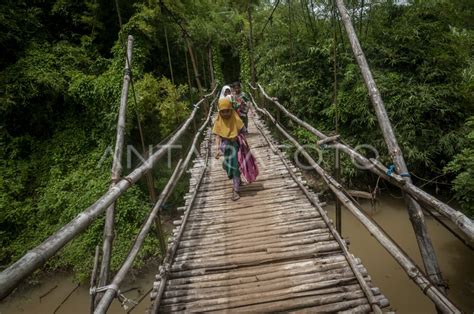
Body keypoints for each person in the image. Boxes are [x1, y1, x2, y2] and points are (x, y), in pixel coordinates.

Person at [213, 97, 245, 201]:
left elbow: (243, 130)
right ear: (220, 111)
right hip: (225, 146)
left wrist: (239, 136)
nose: (226, 113)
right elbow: (217, 136)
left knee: (234, 166)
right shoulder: (218, 120)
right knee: (227, 165)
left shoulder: (235, 118)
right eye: (223, 112)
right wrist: (217, 149)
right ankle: (235, 176)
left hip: (235, 145)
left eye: (227, 111)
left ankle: (236, 190)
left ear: (231, 110)